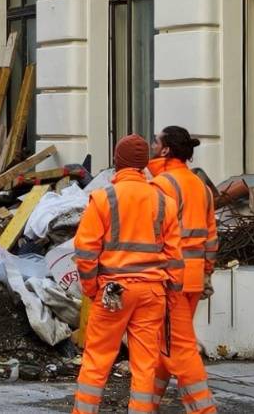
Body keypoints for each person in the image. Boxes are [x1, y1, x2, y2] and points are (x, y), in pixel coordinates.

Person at [72, 134, 182, 414]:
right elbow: (175, 258)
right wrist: (171, 296)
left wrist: (92, 289)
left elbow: (85, 251)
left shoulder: (103, 199)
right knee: (145, 365)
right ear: (144, 164)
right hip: (152, 292)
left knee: (97, 361)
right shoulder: (164, 202)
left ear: (117, 161)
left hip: (113, 291)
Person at [145, 126, 217, 414]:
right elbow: (211, 237)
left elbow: (155, 237)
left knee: (180, 348)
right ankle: (145, 405)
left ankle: (203, 410)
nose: (151, 145)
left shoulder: (163, 185)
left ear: (165, 149)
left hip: (171, 278)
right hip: (194, 278)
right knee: (166, 344)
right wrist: (207, 271)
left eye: (155, 141)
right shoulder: (200, 186)